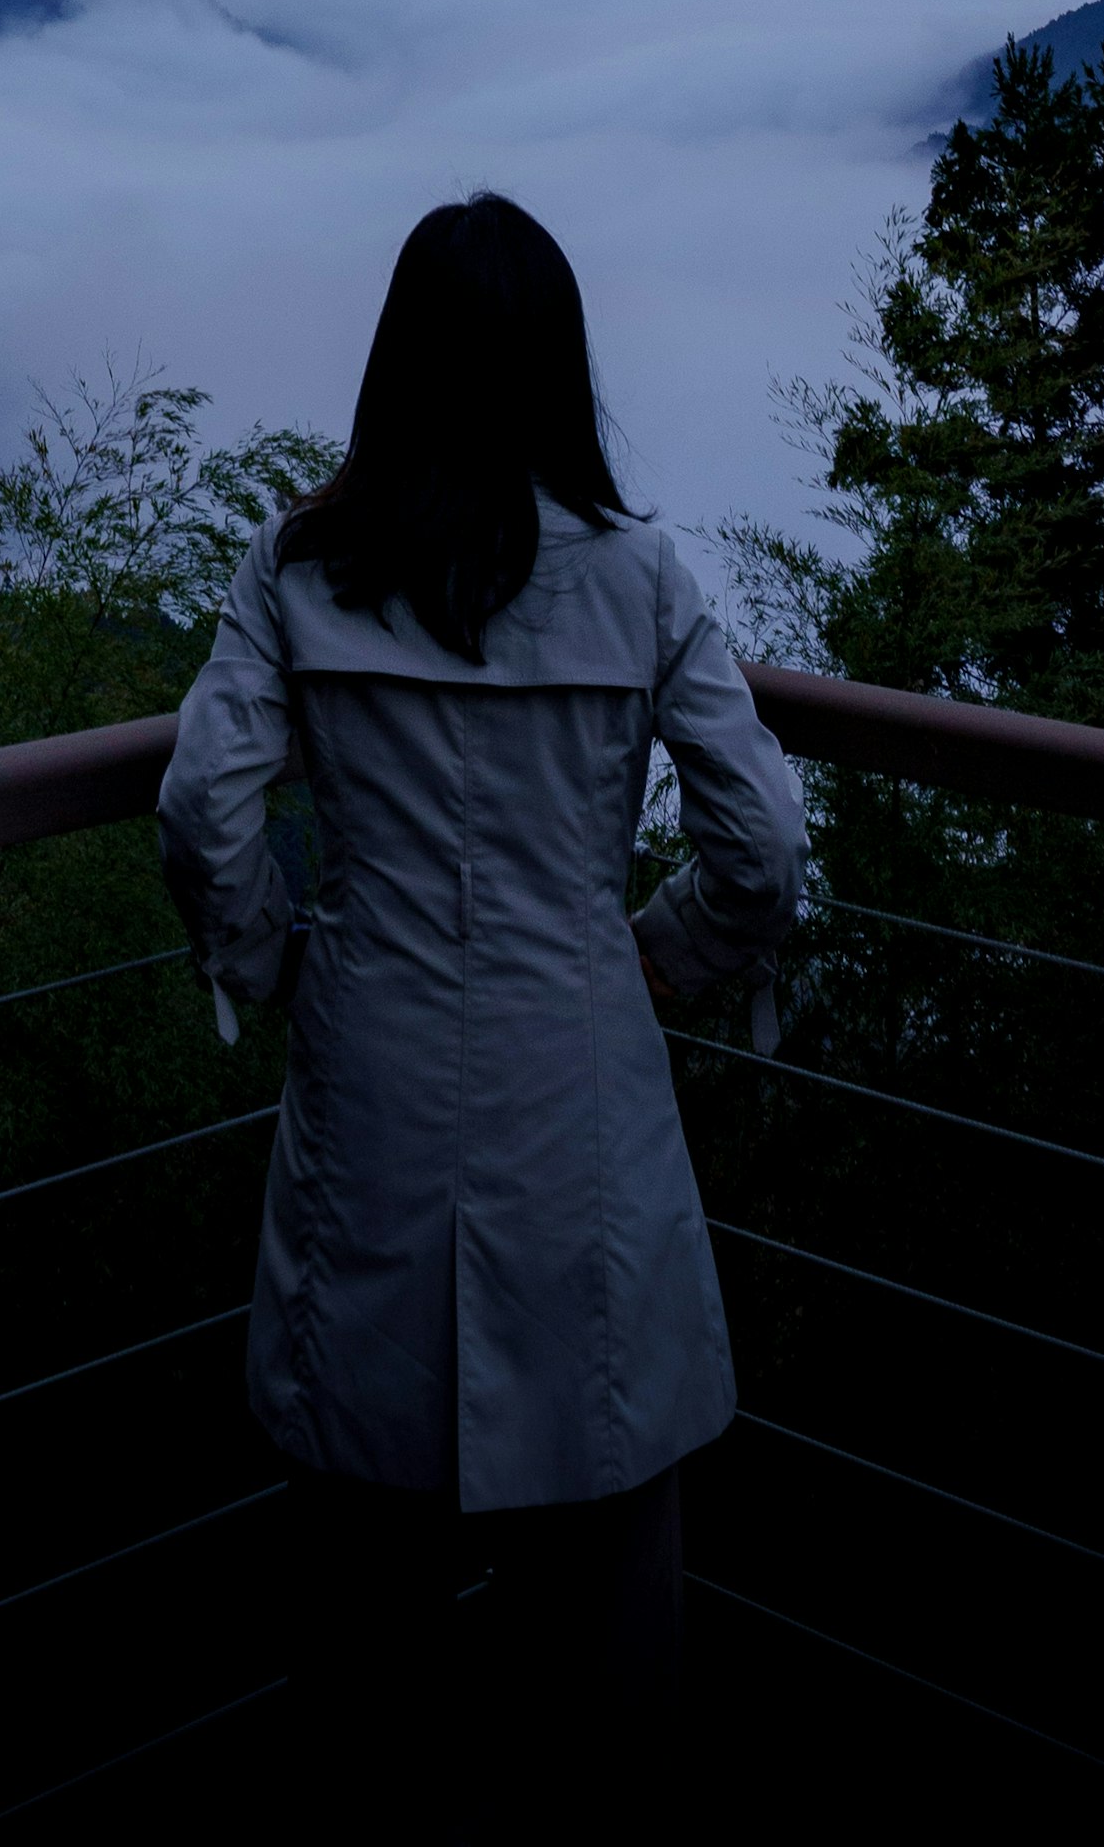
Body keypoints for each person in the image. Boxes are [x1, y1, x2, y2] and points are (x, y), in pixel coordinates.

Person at [155, 193, 807, 1767]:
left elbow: (201, 807)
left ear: (395, 363)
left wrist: (272, 958)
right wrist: (651, 957)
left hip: (369, 1067)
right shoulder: (640, 577)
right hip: (580, 1078)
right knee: (606, 1578)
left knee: (363, 1574)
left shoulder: (302, 566)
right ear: (556, 368)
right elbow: (766, 841)